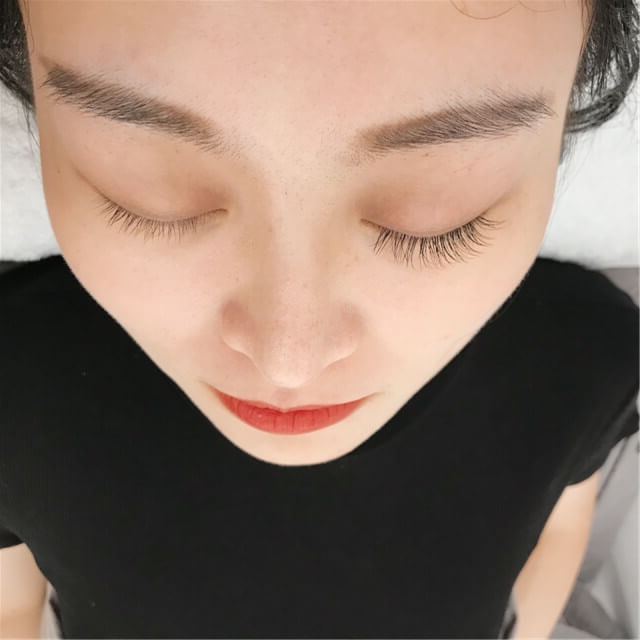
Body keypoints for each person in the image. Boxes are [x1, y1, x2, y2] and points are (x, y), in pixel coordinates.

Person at [0, 1, 638, 638]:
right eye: (149, 188)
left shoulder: (580, 363)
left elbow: (559, 531)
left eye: (432, 210)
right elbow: (12, 609)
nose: (289, 361)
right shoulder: (15, 387)